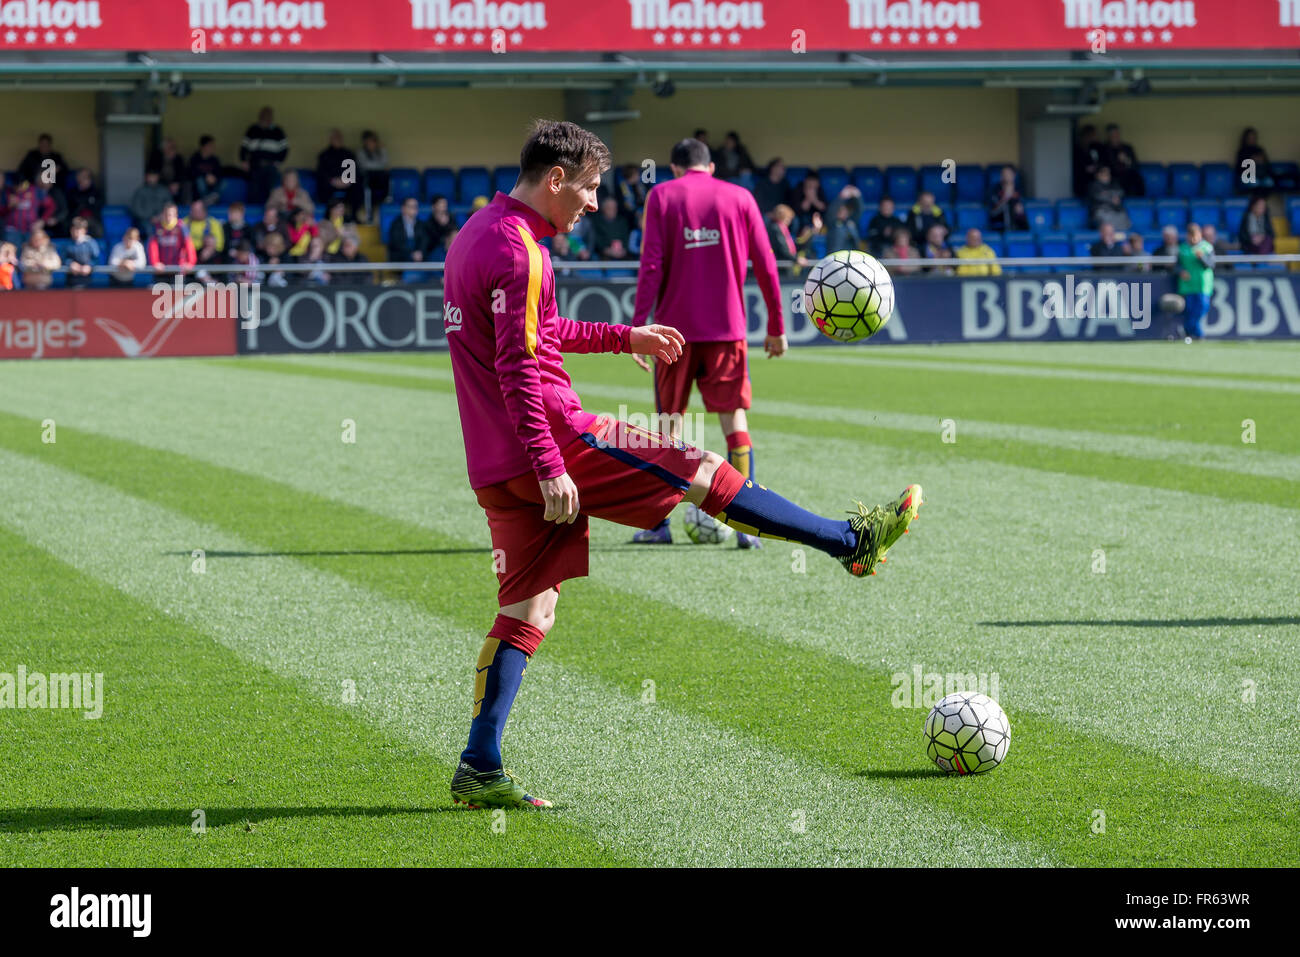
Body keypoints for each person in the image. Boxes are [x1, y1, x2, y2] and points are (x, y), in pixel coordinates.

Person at [442, 120, 923, 809]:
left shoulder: (478, 234)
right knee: (698, 465)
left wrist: (623, 335)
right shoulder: (523, 253)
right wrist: (552, 463)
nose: (593, 204)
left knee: (529, 607)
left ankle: (479, 764)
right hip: (550, 437)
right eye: (587, 189)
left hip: (492, 456)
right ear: (554, 178)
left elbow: (536, 335)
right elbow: (520, 367)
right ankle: (851, 541)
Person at [629, 136, 786, 548]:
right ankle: (749, 527)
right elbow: (767, 265)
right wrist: (776, 324)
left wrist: (636, 326)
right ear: (710, 167)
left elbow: (651, 265)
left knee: (668, 427)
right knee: (734, 422)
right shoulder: (740, 196)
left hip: (672, 333)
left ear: (676, 169)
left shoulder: (662, 195)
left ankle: (658, 524)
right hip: (727, 330)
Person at [240, 106, 288, 205]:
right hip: (255, 166)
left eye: (268, 116)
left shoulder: (278, 131)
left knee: (271, 193)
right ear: (260, 117)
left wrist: (279, 161)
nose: (266, 118)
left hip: (271, 166)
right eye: (264, 116)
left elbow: (285, 149)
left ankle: (270, 214)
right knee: (253, 192)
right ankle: (253, 216)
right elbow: (244, 147)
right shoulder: (252, 130)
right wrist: (243, 160)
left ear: (271, 118)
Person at [1178, 223, 1214, 341]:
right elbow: (1177, 265)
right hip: (1187, 285)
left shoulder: (1207, 248)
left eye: (1195, 235)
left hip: (1203, 284)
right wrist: (1180, 271)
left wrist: (1202, 257)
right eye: (1191, 235)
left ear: (1200, 235)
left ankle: (1190, 330)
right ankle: (1196, 335)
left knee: (1202, 308)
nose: (1193, 238)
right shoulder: (1183, 248)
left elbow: (1211, 265)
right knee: (1189, 310)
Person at [147, 203, 197, 280]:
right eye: (166, 214)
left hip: (178, 269)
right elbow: (153, 247)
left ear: (175, 215)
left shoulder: (181, 227)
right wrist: (155, 263)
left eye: (170, 215)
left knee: (178, 291)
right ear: (162, 214)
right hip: (161, 269)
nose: (168, 217)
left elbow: (189, 246)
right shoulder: (157, 228)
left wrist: (190, 263)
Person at [1100, 123, 1143, 197]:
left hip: (1127, 174)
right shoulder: (1104, 149)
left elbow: (1135, 165)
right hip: (1112, 175)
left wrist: (1126, 160)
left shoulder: (1127, 148)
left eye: (1116, 134)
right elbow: (1102, 165)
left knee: (1136, 178)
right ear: (1109, 136)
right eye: (1112, 135)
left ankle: (1139, 202)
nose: (1115, 137)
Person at [386, 196, 430, 262]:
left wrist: (420, 252)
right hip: (401, 257)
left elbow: (424, 241)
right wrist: (411, 254)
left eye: (415, 206)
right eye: (411, 206)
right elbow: (397, 244)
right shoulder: (395, 224)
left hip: (419, 257)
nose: (414, 209)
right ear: (403, 208)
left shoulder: (421, 224)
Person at [1087, 166, 1129, 230]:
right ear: (1097, 175)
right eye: (1103, 173)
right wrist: (1111, 199)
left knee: (1123, 216)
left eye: (1108, 174)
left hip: (1115, 211)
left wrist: (1113, 198)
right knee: (1105, 220)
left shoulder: (1114, 184)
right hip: (1101, 212)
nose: (1106, 176)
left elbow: (1121, 193)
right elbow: (1098, 196)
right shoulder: (1093, 185)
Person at [19, 225, 60, 290]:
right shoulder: (26, 249)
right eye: (35, 239)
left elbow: (56, 264)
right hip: (29, 282)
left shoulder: (50, 250)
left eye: (39, 239)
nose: (37, 241)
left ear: (45, 239)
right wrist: (32, 264)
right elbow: (22, 263)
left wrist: (44, 264)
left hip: (44, 282)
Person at [987, 166, 1027, 232]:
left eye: (1008, 174)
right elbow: (993, 212)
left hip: (1018, 221)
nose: (1006, 176)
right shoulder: (995, 189)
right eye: (1004, 174)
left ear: (1014, 175)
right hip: (999, 219)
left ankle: (1023, 233)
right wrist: (1006, 197)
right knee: (1007, 206)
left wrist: (1020, 209)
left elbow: (1022, 203)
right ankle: (1010, 231)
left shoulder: (1019, 189)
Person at [64, 216, 99, 288]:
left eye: (78, 230)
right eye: (73, 230)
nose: (75, 232)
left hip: (87, 280)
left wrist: (89, 266)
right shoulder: (67, 244)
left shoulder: (91, 243)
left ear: (84, 230)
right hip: (71, 279)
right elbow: (63, 257)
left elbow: (96, 258)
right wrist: (70, 263)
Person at [189, 135, 224, 207]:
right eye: (210, 146)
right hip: (199, 188)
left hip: (212, 187)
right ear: (203, 146)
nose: (212, 148)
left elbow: (219, 173)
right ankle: (206, 201)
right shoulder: (195, 158)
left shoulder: (215, 160)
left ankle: (208, 200)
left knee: (224, 183)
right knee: (200, 181)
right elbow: (191, 173)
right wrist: (206, 176)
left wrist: (214, 178)